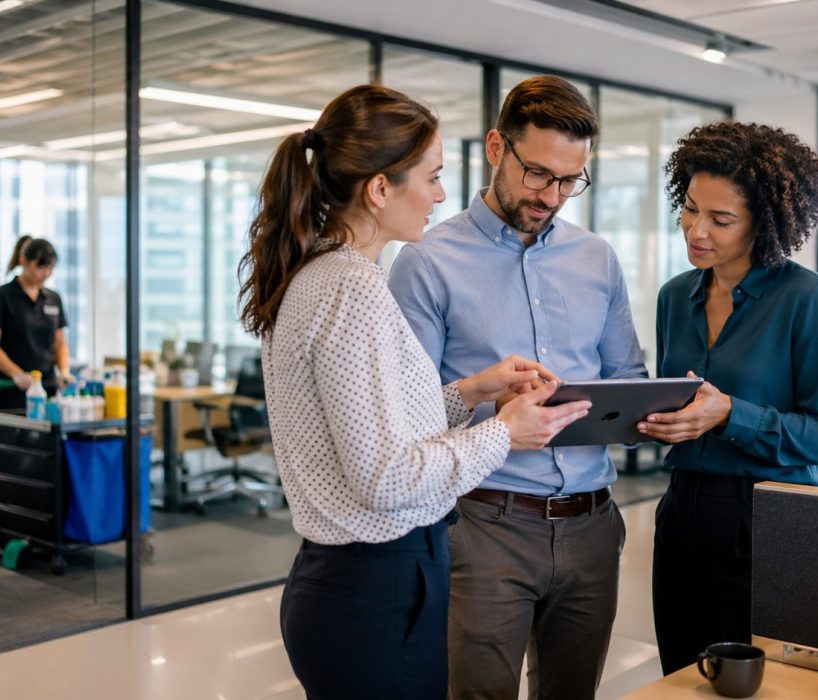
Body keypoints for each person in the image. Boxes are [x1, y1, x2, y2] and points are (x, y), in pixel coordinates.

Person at [237, 84, 591, 700]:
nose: (440, 194)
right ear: (380, 189)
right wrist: (504, 434)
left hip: (352, 585)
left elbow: (371, 425)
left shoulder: (323, 272)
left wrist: (472, 393)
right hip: (376, 588)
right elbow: (388, 478)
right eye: (431, 176)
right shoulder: (353, 290)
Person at [388, 75, 646, 699]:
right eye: (538, 174)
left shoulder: (597, 259)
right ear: (498, 147)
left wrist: (658, 409)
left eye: (569, 180)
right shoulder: (426, 261)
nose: (552, 195)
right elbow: (408, 418)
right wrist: (494, 416)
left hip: (592, 525)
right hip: (485, 527)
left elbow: (627, 380)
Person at [637, 121, 818, 674]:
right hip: (684, 509)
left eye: (720, 219)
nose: (696, 230)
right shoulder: (673, 298)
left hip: (769, 518)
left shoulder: (809, 300)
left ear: (765, 223)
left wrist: (732, 413)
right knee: (682, 676)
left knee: (758, 683)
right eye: (689, 208)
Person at [0, 236, 71, 409]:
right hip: (11, 387)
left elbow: (60, 343)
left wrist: (64, 371)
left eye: (50, 268)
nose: (46, 273)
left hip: (46, 387)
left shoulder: (53, 298)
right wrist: (17, 374)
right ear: (24, 261)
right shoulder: (0, 296)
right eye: (40, 267)